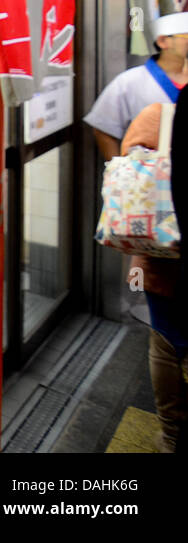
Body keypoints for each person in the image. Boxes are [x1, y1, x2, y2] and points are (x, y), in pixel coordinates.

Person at [120, 98, 188, 453]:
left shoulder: (161, 115)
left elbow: (130, 171)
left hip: (165, 257)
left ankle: (173, 437)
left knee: (166, 341)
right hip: (164, 263)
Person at [84, 11, 188, 162]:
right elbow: (104, 129)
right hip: (150, 178)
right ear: (163, 41)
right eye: (185, 36)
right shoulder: (130, 81)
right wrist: (120, 170)